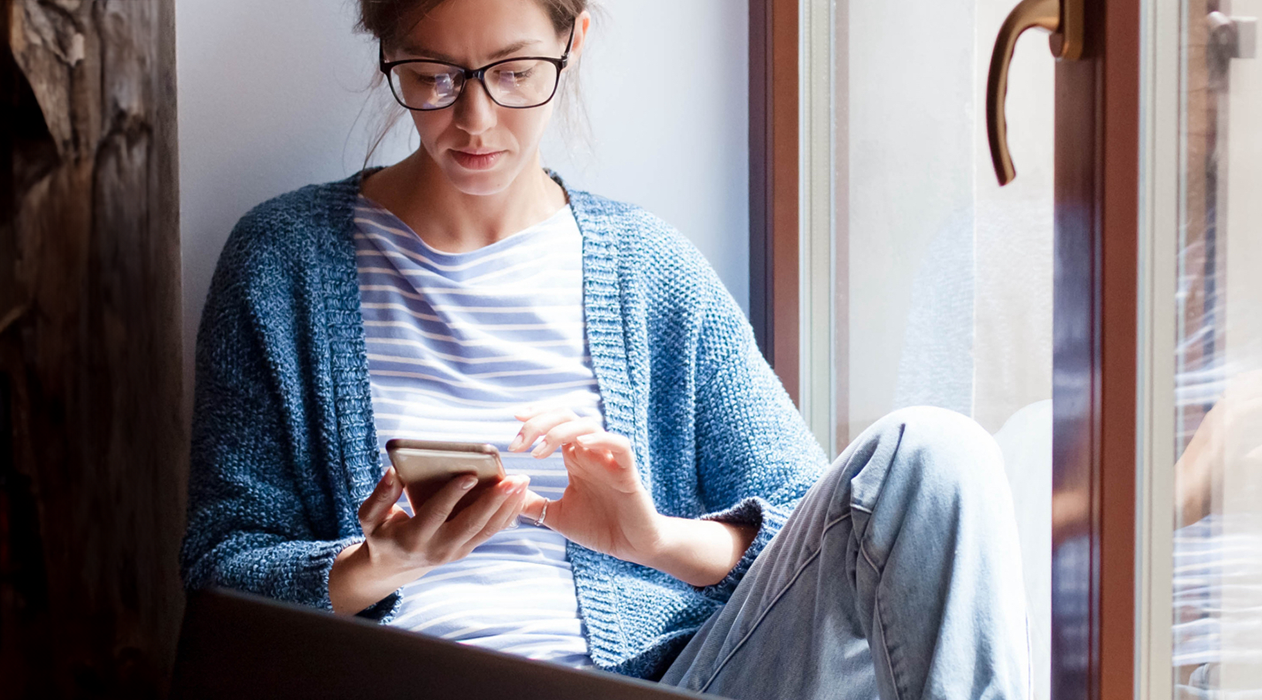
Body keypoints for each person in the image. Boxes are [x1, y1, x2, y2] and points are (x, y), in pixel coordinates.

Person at [177, 0, 1030, 697]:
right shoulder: (283, 262)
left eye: (514, 73)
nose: (474, 121)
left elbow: (817, 535)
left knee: (938, 451)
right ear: (387, 55)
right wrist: (380, 563)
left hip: (673, 684)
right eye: (433, 77)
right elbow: (220, 570)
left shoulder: (650, 271)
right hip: (402, 679)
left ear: (572, 41)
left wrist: (652, 538)